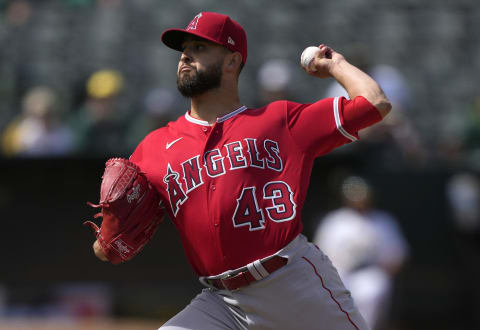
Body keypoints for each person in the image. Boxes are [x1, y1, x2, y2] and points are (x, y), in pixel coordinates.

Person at [89, 11, 391, 330]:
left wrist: (335, 65)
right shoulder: (153, 147)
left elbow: (374, 103)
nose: (185, 55)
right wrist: (108, 237)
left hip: (292, 285)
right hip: (222, 303)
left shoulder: (279, 121)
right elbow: (107, 247)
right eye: (184, 49)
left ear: (233, 61)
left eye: (200, 47)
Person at [313, 176, 409, 329]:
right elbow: (319, 254)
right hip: (339, 273)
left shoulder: (383, 220)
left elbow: (397, 255)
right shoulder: (334, 221)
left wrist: (386, 267)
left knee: (376, 288)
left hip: (369, 272)